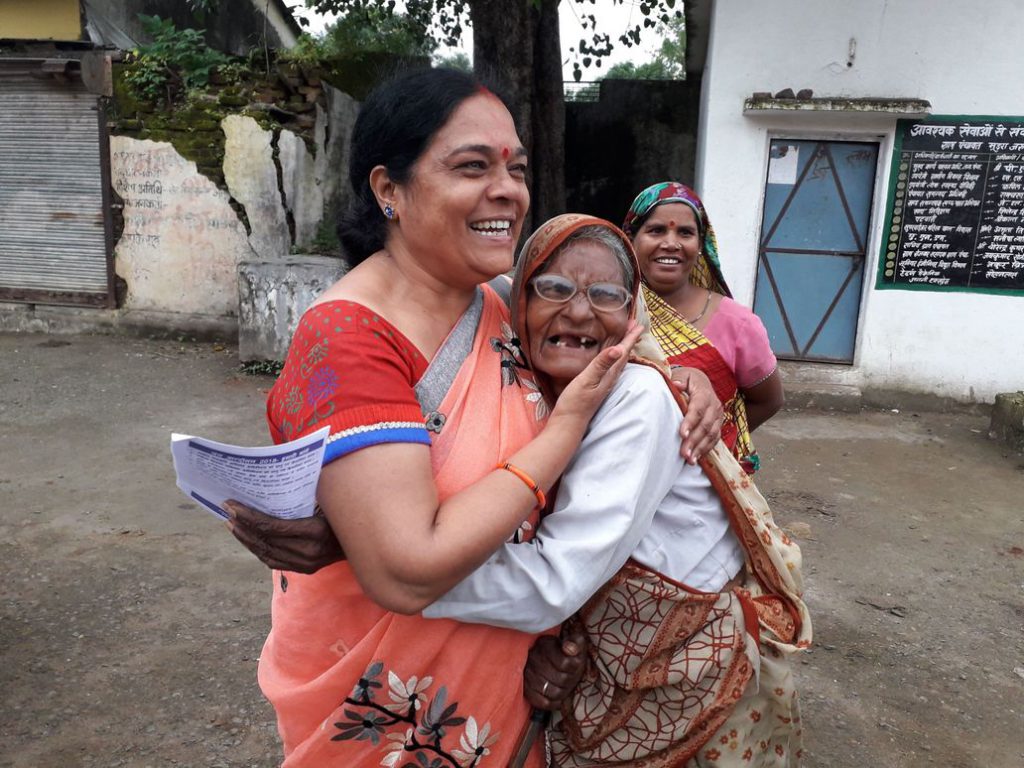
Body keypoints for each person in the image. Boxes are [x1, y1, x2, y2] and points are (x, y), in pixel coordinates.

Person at [255, 67, 647, 768]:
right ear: (388, 190)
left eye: (516, 168)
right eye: (473, 166)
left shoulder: (500, 303)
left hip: (501, 698)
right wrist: (564, 431)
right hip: (386, 715)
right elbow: (408, 571)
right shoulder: (348, 337)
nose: (508, 190)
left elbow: (640, 318)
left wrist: (690, 379)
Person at [424, 213, 812, 767]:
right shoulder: (532, 386)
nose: (579, 311)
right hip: (616, 657)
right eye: (553, 288)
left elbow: (555, 581)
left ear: (634, 315)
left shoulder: (637, 397)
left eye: (605, 294)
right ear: (518, 307)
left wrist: (393, 566)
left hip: (687, 670)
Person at [622, 182, 785, 474]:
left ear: (701, 245)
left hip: (704, 480)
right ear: (631, 239)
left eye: (685, 233)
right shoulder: (612, 309)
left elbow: (769, 399)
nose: (671, 243)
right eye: (656, 230)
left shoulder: (738, 323)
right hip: (626, 468)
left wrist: (714, 436)